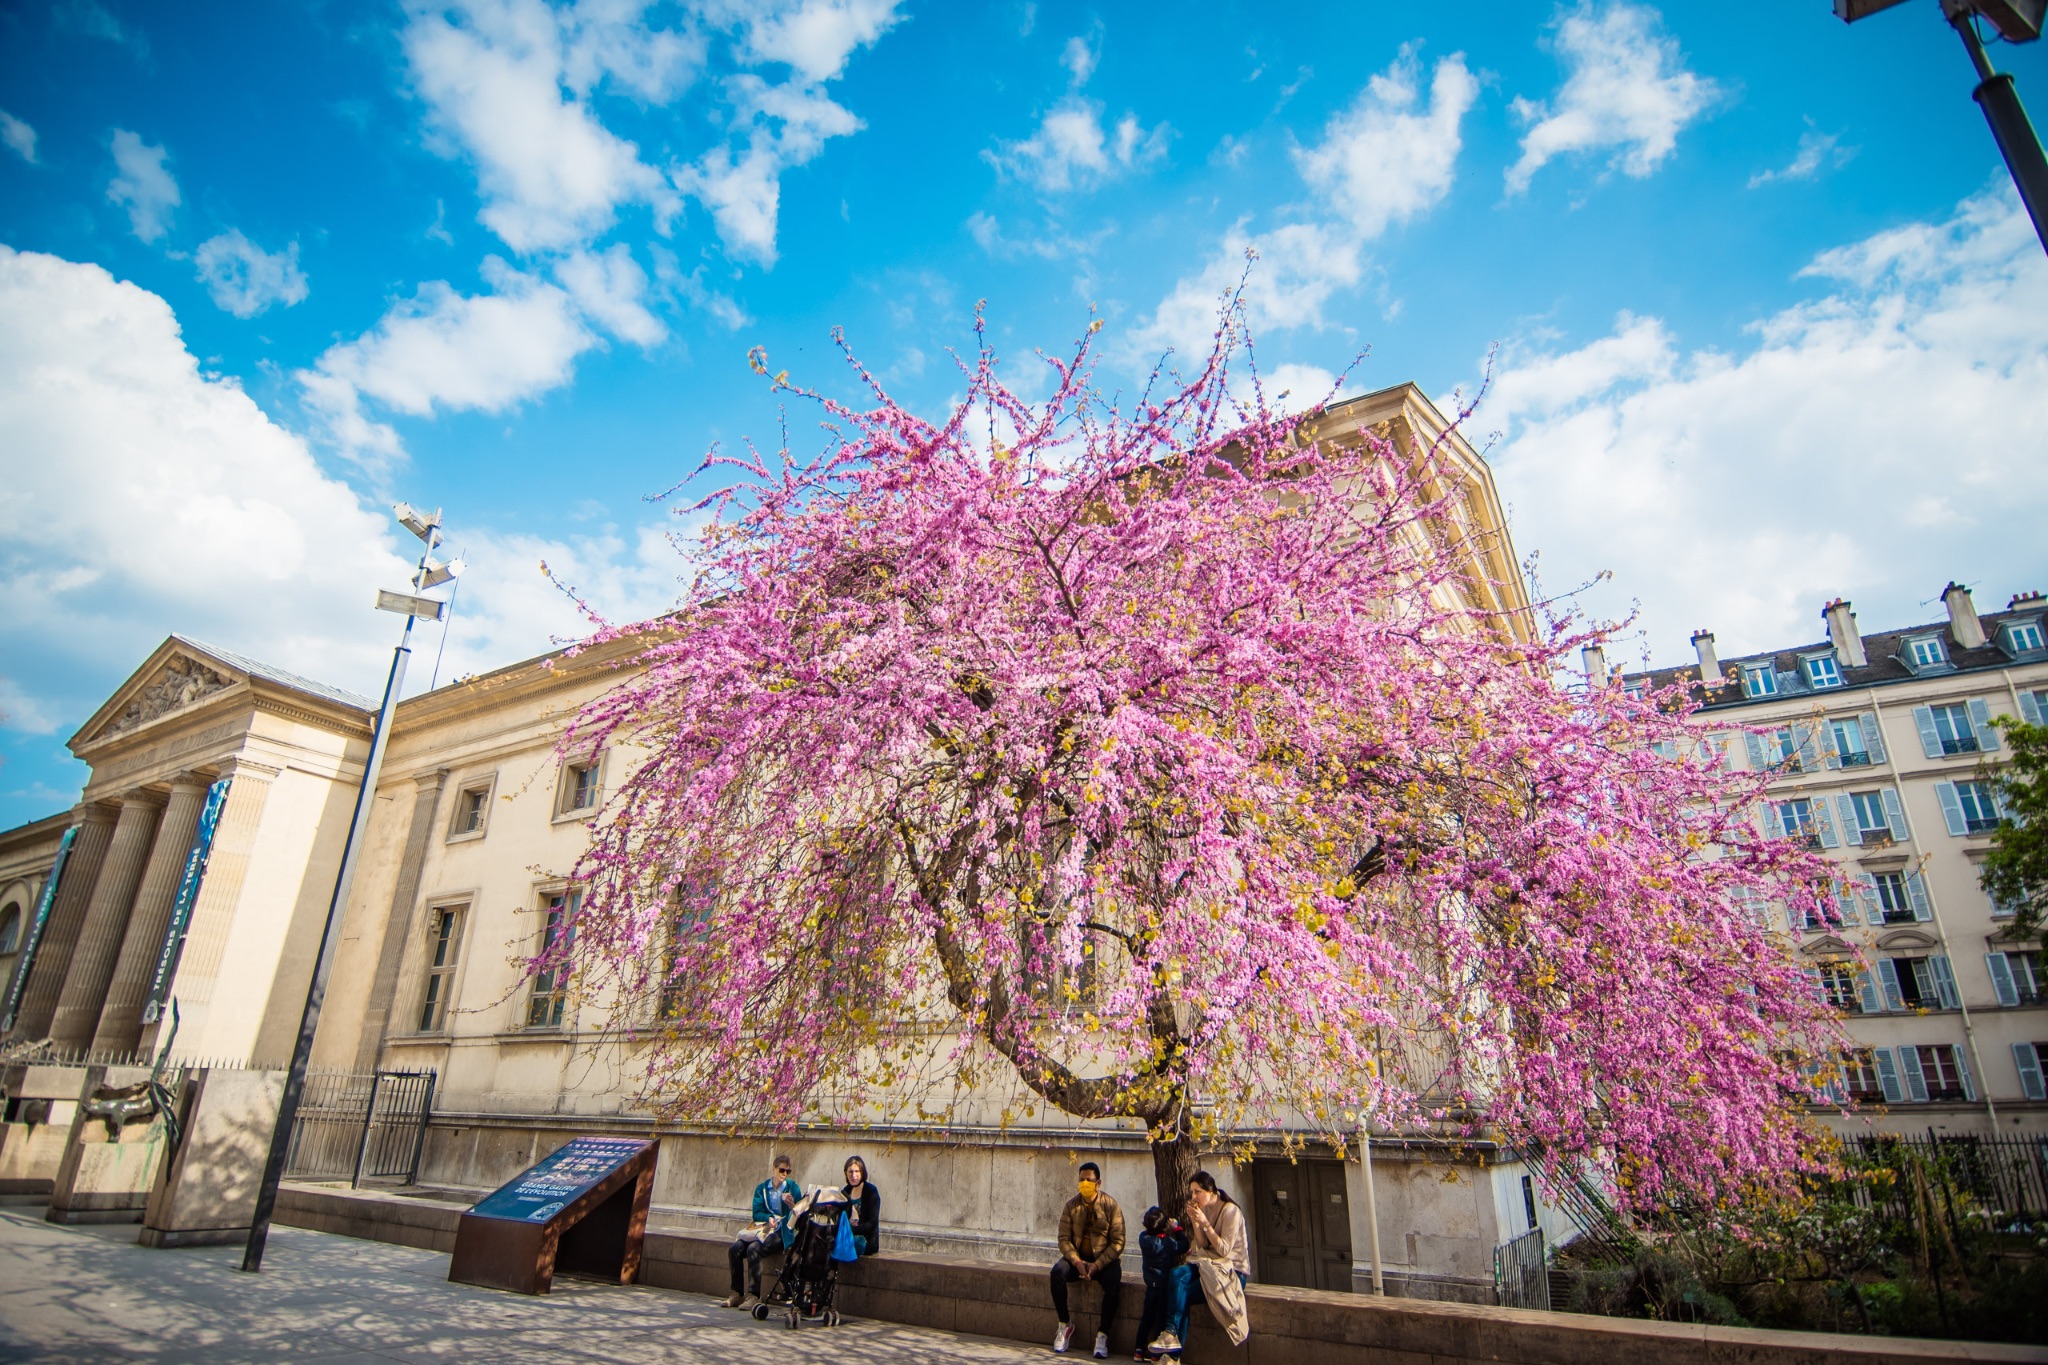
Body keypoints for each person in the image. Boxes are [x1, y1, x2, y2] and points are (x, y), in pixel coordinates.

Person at [1147, 1171, 1249, 1357]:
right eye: (1192, 1193)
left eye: (1197, 1192)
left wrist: (1205, 1223)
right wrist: (1196, 1222)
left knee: (1182, 1294)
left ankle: (1172, 1352)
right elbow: (1203, 1244)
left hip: (1229, 1272)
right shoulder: (1206, 1209)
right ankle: (1170, 1335)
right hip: (1208, 1265)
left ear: (1211, 1190)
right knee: (1177, 1274)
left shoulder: (1230, 1211)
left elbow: (1224, 1249)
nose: (1194, 1197)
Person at [1050, 1160, 1125, 1358]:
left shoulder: (1111, 1206)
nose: (1085, 1184)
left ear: (1098, 1183)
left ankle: (1103, 1333)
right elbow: (1063, 1239)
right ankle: (1064, 1324)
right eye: (1082, 1180)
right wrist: (1076, 1261)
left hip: (1102, 1261)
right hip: (1078, 1260)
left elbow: (1118, 1242)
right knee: (1057, 1273)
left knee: (1113, 1281)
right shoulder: (1071, 1206)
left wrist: (1098, 1265)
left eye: (1089, 1180)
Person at [725, 1153, 801, 1308]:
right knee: (735, 1249)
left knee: (754, 1249)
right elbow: (756, 1212)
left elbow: (801, 1213)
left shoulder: (793, 1187)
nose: (784, 1174)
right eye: (781, 1170)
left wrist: (793, 1206)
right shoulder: (762, 1189)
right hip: (763, 1230)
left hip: (781, 1232)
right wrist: (769, 1217)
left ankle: (753, 1295)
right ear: (773, 1169)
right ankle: (736, 1293)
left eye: (788, 1171)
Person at [1133, 1205, 1189, 1361]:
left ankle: (1138, 1349)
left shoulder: (1143, 1239)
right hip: (1164, 1286)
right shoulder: (1169, 1243)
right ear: (1164, 1227)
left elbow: (1148, 1232)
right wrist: (1177, 1229)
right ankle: (1155, 1354)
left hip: (1151, 1285)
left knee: (1146, 1318)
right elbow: (1184, 1245)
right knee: (1160, 1319)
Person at [841, 1155, 882, 1256]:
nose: (853, 1175)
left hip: (866, 1240)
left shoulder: (871, 1191)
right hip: (847, 1235)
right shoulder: (845, 1191)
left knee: (843, 1244)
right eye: (850, 1172)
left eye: (856, 1171)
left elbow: (872, 1223)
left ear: (862, 1173)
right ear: (846, 1173)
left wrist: (852, 1230)